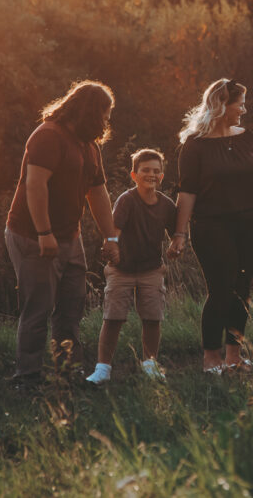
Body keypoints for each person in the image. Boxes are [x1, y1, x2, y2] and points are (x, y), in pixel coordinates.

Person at [5, 80, 120, 390]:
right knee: (38, 307)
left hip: (71, 236)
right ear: (91, 111)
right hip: (33, 235)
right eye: (105, 114)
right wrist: (44, 233)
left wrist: (111, 238)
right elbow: (35, 185)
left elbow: (98, 193)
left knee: (72, 305)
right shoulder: (47, 136)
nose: (107, 121)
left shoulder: (89, 145)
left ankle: (66, 372)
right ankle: (27, 377)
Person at [166, 79, 253, 373]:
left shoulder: (248, 137)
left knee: (242, 288)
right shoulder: (194, 145)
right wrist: (179, 234)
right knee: (221, 288)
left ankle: (234, 355)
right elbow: (187, 192)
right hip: (211, 225)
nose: (244, 109)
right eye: (240, 103)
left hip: (249, 223)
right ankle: (211, 358)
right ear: (223, 105)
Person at [86, 149, 176, 384]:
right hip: (121, 268)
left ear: (162, 176)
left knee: (152, 317)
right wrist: (112, 246)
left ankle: (149, 364)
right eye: (146, 170)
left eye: (156, 171)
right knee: (113, 317)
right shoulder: (126, 200)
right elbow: (114, 231)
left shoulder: (166, 205)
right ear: (134, 175)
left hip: (151, 269)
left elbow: (176, 232)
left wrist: (177, 244)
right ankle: (103, 368)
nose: (151, 174)